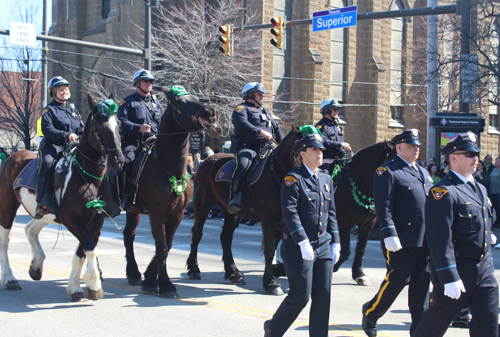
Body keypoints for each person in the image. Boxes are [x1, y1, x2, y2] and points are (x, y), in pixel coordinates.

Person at [412, 131, 499, 337]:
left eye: (476, 154)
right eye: (469, 154)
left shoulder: (479, 188)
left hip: (483, 268)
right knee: (434, 325)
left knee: (489, 326)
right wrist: (449, 276)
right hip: (458, 270)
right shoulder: (443, 191)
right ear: (453, 157)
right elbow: (439, 238)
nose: (475, 158)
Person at [264, 128, 340, 337]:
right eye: (314, 149)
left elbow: (331, 213)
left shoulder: (326, 179)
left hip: (323, 244)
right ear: (302, 154)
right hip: (299, 246)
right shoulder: (293, 179)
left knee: (323, 295)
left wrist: (336, 242)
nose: (320, 153)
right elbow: (290, 213)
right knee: (300, 296)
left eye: (321, 150)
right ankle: (273, 328)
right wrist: (302, 241)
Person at [362, 129, 431, 337]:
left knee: (421, 288)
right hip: (401, 239)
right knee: (398, 279)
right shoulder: (387, 172)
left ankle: (419, 331)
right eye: (411, 145)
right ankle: (372, 312)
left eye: (417, 145)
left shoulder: (424, 172)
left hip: (425, 240)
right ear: (399, 147)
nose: (416, 148)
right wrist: (388, 232)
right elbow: (383, 206)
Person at [229, 82, 284, 214]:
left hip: (267, 147)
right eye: (259, 94)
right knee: (243, 164)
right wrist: (261, 132)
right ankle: (235, 195)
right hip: (248, 147)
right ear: (250, 95)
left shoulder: (265, 111)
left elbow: (276, 128)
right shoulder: (241, 109)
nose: (262, 97)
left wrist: (283, 145)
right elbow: (242, 124)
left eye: (262, 95)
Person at [36, 76, 84, 219]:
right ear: (54, 92)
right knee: (47, 163)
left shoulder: (73, 110)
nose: (64, 92)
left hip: (73, 146)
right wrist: (66, 135)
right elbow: (47, 130)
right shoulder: (49, 110)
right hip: (54, 145)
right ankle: (42, 200)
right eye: (60, 90)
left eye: (65, 89)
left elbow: (81, 128)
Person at [117, 69, 165, 210]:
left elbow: (163, 122)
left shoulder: (157, 104)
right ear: (137, 83)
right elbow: (122, 121)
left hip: (154, 140)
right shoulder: (127, 102)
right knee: (127, 162)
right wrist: (139, 128)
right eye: (145, 81)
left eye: (151, 81)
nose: (149, 84)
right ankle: (125, 196)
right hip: (134, 141)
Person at [315, 98, 351, 175]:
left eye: (338, 110)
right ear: (326, 110)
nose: (337, 112)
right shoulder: (320, 126)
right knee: (324, 173)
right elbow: (322, 141)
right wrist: (341, 144)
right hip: (327, 159)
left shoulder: (337, 126)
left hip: (340, 158)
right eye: (334, 109)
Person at [489, 157, 500, 227]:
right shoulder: (494, 169)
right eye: (495, 161)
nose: (495, 162)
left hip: (498, 192)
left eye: (497, 161)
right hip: (492, 192)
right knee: (495, 208)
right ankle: (497, 221)